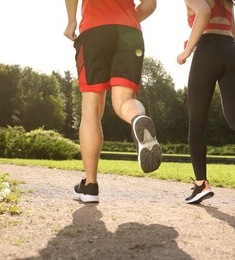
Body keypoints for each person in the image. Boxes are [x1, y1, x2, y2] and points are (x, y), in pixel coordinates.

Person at [64, 0, 162, 203]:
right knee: (124, 100)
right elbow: (150, 5)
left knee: (91, 109)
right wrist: (125, 17)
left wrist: (71, 20)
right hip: (130, 33)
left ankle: (90, 185)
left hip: (95, 30)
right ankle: (138, 119)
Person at [177, 0, 235, 204]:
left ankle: (201, 184)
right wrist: (195, 40)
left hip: (207, 52)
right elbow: (230, 33)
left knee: (197, 123)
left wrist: (188, 50)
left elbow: (203, 11)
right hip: (233, 52)